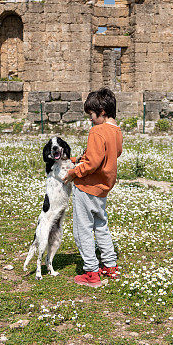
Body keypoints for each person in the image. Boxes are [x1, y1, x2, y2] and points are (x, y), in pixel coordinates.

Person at [63, 88, 123, 287]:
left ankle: (91, 271)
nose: (90, 119)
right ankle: (110, 265)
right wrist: (80, 159)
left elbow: (92, 164)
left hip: (86, 188)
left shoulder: (97, 131)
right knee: (101, 226)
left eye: (91, 115)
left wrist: (73, 173)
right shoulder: (116, 131)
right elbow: (113, 154)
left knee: (83, 230)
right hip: (103, 188)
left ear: (102, 111)